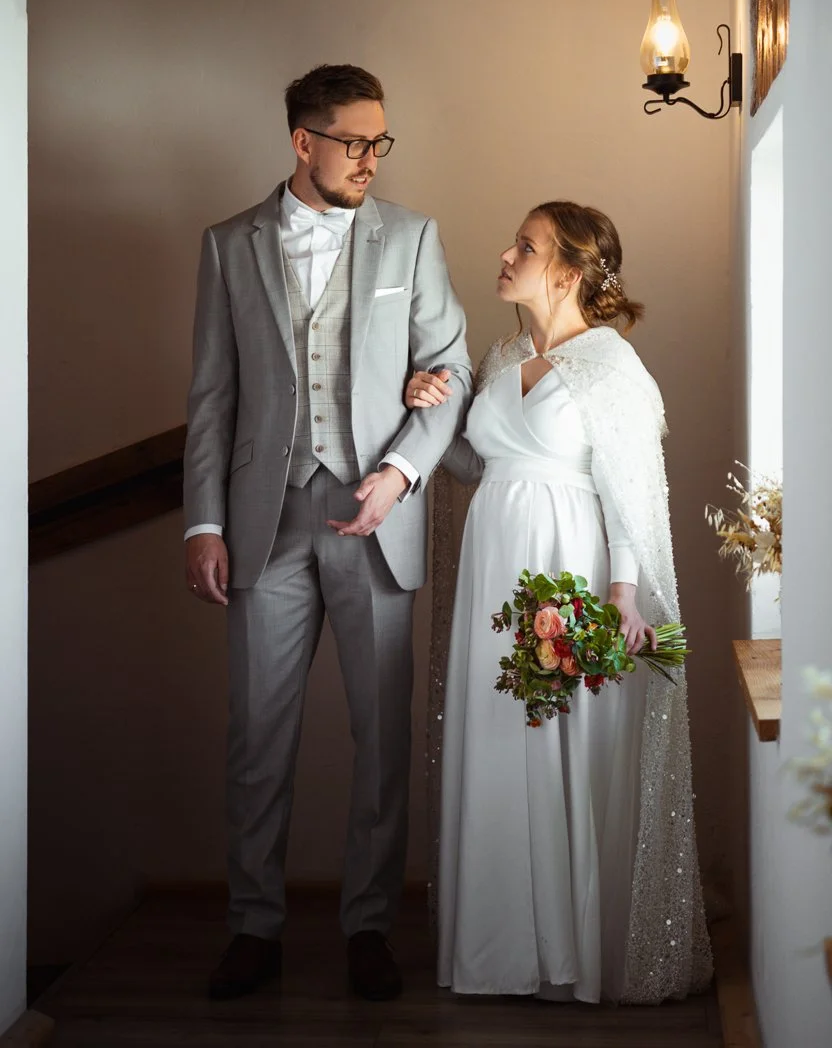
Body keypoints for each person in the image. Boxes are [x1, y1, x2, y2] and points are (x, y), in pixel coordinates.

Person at [183, 64, 472, 1002]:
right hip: (265, 522)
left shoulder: (413, 238)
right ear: (303, 141)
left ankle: (370, 929)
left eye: (381, 142)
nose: (370, 160)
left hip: (376, 520)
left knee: (382, 741)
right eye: (353, 141)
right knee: (256, 736)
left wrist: (398, 473)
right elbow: (212, 397)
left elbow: (452, 371)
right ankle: (253, 926)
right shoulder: (229, 244)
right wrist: (204, 520)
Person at [405, 202, 711, 1004]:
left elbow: (632, 493)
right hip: (493, 564)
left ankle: (571, 955)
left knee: (561, 742)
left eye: (527, 246)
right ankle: (496, 949)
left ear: (569, 273)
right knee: (497, 733)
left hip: (568, 565)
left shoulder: (613, 370)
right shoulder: (503, 353)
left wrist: (619, 593)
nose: (506, 253)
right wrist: (433, 403)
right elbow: (474, 461)